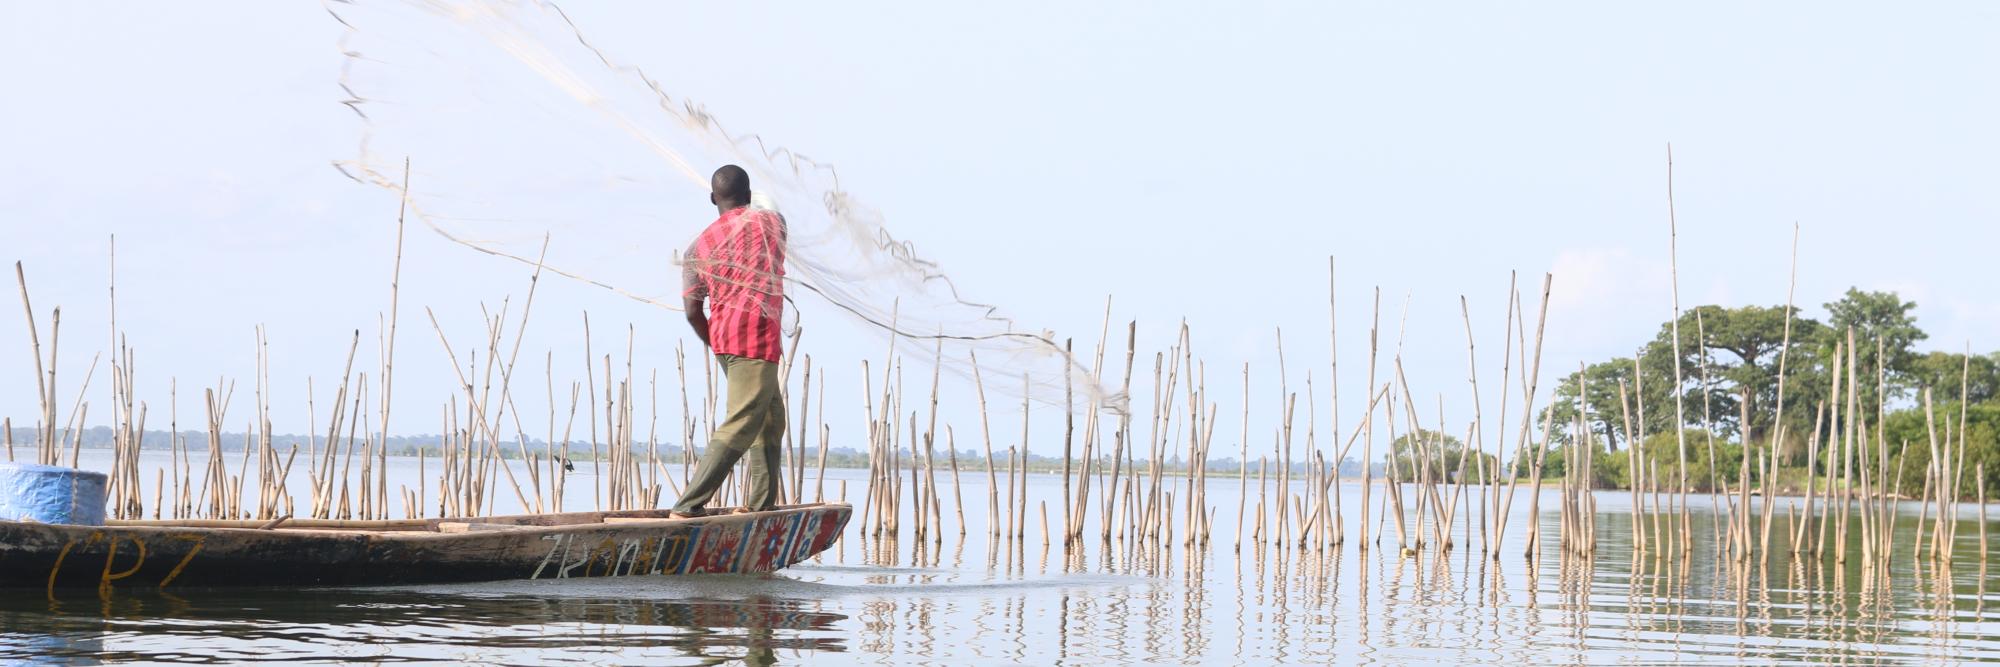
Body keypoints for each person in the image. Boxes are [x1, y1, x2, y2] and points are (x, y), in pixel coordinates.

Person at [671, 164, 789, 518]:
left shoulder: (698, 246)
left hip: (725, 341)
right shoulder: (773, 224)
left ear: (712, 198)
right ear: (749, 195)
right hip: (755, 339)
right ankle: (688, 506)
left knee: (770, 418)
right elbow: (771, 209)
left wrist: (716, 344)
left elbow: (692, 310)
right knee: (742, 422)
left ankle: (760, 506)